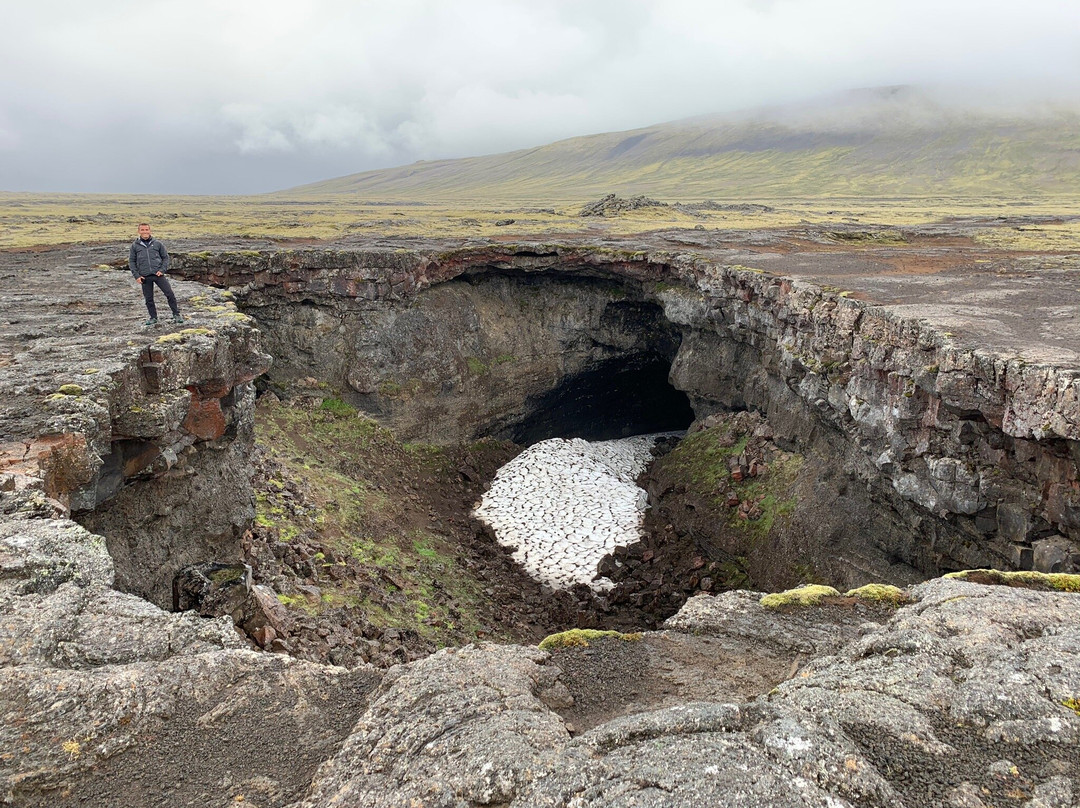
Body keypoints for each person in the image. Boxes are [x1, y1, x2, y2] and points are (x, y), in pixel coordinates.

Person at [129, 223, 183, 327]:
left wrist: (162, 270)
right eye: (142, 230)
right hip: (144, 276)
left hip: (158, 275)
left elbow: (165, 257)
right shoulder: (135, 246)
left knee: (169, 294)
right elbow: (132, 261)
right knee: (149, 298)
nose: (145, 232)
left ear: (150, 231)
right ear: (139, 231)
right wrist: (137, 276)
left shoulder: (158, 244)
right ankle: (153, 318)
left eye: (146, 229)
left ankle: (176, 314)